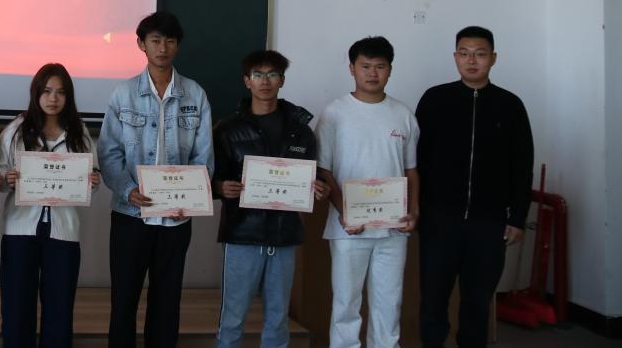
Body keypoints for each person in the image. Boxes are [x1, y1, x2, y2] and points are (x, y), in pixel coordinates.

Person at [97, 11, 213, 348]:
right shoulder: (123, 94)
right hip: (130, 216)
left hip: (176, 219)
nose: (163, 48)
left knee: (166, 303)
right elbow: (109, 153)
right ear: (141, 44)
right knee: (124, 300)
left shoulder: (195, 94)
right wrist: (128, 189)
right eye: (155, 40)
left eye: (170, 41)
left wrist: (190, 200)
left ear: (178, 45)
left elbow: (204, 157)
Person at [416, 26, 533, 348]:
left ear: (493, 58)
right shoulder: (435, 99)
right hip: (439, 220)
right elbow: (416, 159)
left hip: (489, 222)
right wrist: (416, 209)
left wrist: (517, 217)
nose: (472, 61)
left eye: (480, 54)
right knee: (433, 297)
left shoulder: (510, 105)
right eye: (465, 53)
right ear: (455, 57)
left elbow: (522, 165)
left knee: (478, 300)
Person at [211, 49, 328, 348]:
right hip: (242, 234)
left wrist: (320, 187)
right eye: (258, 75)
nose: (265, 81)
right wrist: (221, 187)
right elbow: (211, 179)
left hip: (284, 234)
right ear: (247, 81)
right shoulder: (227, 130)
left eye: (272, 74)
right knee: (232, 317)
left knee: (277, 318)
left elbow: (313, 176)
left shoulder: (301, 131)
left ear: (282, 80)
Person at [316, 36, 420, 348]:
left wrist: (413, 211)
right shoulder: (334, 113)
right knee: (346, 304)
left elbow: (411, 170)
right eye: (365, 66)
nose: (372, 73)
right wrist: (344, 211)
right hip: (348, 228)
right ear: (352, 69)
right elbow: (324, 170)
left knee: (389, 303)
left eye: (380, 66)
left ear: (390, 70)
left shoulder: (403, 114)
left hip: (393, 229)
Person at [0, 63, 101, 348]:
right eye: (46, 91)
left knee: (60, 308)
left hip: (63, 231)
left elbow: (93, 176)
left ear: (68, 96)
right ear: (36, 93)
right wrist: (7, 179)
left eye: (60, 92)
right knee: (17, 306)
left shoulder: (79, 131)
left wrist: (93, 181)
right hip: (20, 229)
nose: (53, 98)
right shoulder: (17, 129)